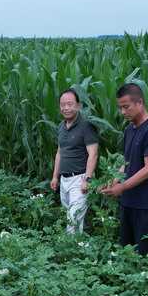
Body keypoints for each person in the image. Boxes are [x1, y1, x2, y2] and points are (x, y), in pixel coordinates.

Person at [100, 83, 148, 255]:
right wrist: (113, 182)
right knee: (126, 252)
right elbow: (126, 162)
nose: (123, 112)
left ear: (140, 103)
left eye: (126, 107)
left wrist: (122, 187)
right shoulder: (129, 130)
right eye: (120, 107)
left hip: (145, 204)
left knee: (143, 255)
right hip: (128, 202)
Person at [49, 88, 99, 233]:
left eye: (70, 104)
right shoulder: (61, 127)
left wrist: (87, 179)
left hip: (80, 179)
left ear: (78, 105)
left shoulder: (86, 126)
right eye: (62, 105)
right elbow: (60, 152)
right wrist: (55, 177)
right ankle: (77, 245)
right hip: (64, 180)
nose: (66, 108)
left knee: (73, 220)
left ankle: (71, 247)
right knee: (70, 220)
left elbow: (93, 154)